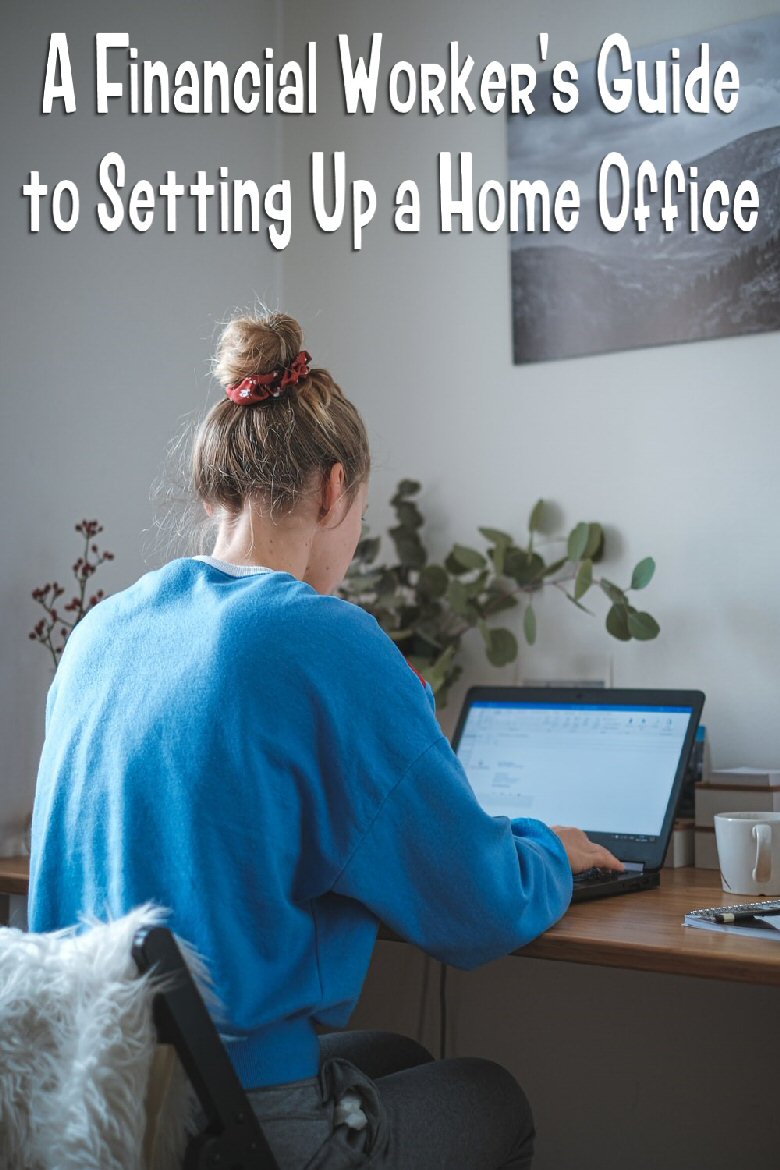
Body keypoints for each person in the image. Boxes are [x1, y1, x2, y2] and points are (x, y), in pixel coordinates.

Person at [29, 310, 622, 1169]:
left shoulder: (100, 633)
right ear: (334, 489)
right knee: (490, 1095)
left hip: (96, 1105)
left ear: (215, 491)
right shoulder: (321, 637)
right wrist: (550, 852)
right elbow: (478, 907)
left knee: (404, 1061)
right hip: (221, 1123)